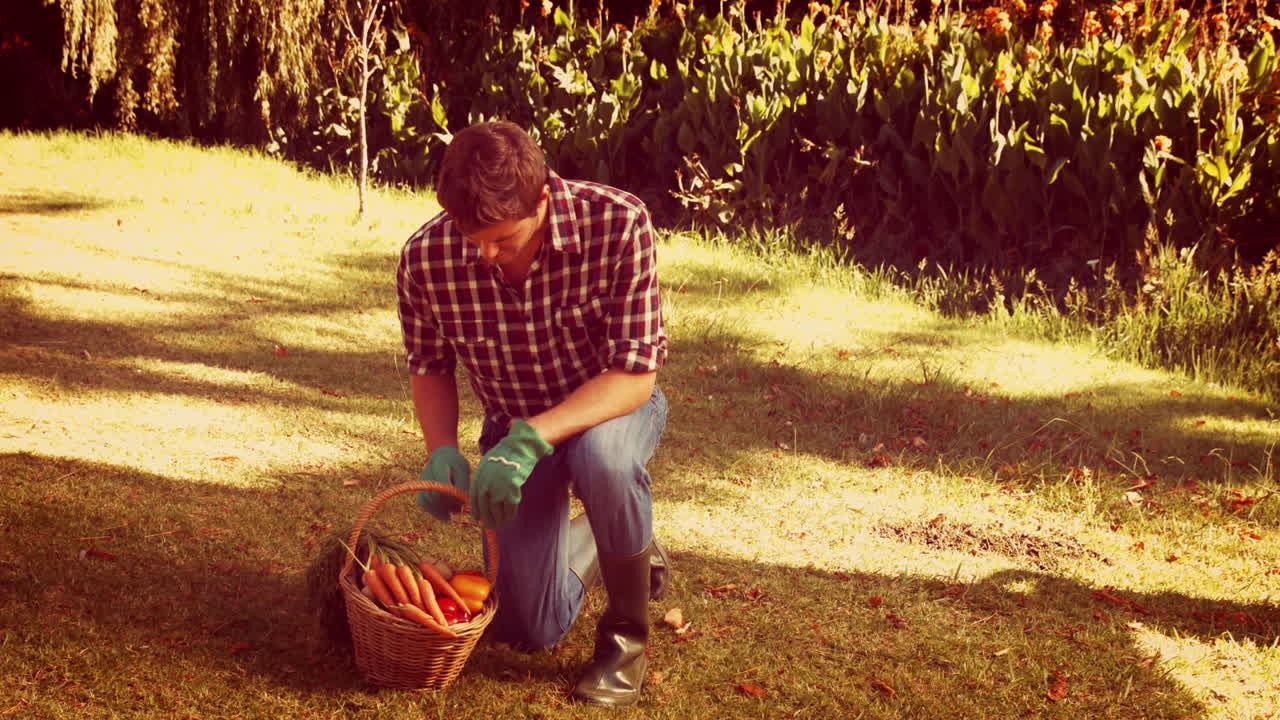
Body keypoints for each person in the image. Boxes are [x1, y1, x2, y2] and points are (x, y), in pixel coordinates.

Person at [395, 120, 671, 707]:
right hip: (514, 420)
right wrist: (441, 447)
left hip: (611, 411)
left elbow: (635, 374)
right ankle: (612, 537)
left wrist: (532, 438)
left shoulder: (619, 224)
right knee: (527, 628)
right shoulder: (424, 258)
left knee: (605, 461)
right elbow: (431, 364)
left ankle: (626, 640)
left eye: (503, 238)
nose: (484, 253)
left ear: (542, 199)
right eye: (471, 236)